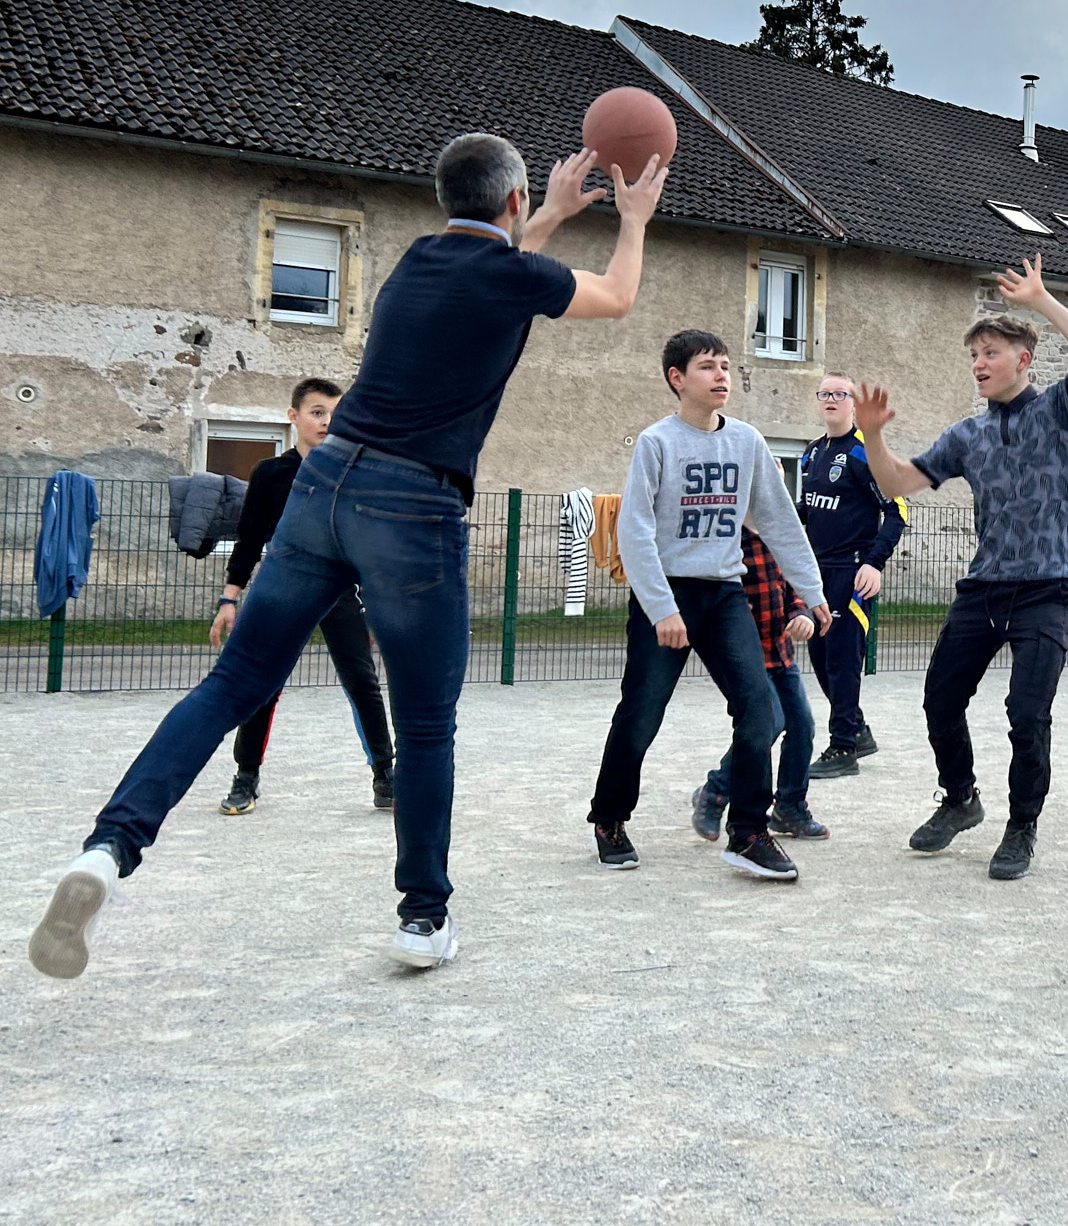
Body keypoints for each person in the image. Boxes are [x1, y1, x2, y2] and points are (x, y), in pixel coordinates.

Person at [27, 135, 668, 980]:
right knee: (426, 723)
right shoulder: (511, 273)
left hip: (322, 485)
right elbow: (616, 296)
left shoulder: (415, 262)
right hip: (412, 504)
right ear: (511, 204)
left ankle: (108, 849)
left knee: (232, 684)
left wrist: (547, 211)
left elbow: (503, 266)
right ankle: (422, 916)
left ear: (447, 200)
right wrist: (634, 217)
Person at [850, 255, 1068, 881]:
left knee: (1027, 713)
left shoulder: (1056, 410)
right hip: (984, 588)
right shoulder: (966, 435)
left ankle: (1021, 828)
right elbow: (896, 484)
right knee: (940, 697)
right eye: (974, 355)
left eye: (990, 353)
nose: (979, 364)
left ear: (1023, 359)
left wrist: (1040, 300)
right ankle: (960, 798)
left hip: (1046, 589)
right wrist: (872, 436)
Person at [587, 331, 829, 882]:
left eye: (725, 366)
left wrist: (812, 593)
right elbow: (634, 531)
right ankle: (609, 819)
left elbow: (779, 521)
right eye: (707, 366)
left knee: (760, 708)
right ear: (677, 378)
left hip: (724, 593)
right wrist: (661, 608)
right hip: (667, 593)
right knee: (641, 715)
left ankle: (748, 832)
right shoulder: (657, 443)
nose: (721, 375)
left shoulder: (747, 441)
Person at [210, 377, 396, 816]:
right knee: (263, 684)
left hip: (338, 591)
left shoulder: (353, 474)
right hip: (283, 591)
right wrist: (229, 599)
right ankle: (246, 777)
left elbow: (368, 545)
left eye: (335, 413)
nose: (327, 421)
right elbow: (249, 541)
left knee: (363, 682)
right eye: (317, 412)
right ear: (294, 417)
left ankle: (386, 775)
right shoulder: (270, 475)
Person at [688, 527, 828, 852]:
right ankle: (715, 792)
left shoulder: (779, 535)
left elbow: (795, 586)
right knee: (770, 722)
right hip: (746, 658)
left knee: (802, 725)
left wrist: (802, 614)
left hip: (781, 653)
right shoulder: (726, 541)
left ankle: (790, 806)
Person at [799, 373, 908, 778]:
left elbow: (898, 510)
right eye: (825, 393)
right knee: (820, 656)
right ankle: (857, 730)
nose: (831, 399)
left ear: (852, 404)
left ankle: (843, 747)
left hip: (853, 571)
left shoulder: (865, 452)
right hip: (818, 573)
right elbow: (808, 510)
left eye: (840, 394)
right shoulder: (811, 453)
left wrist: (874, 563)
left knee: (843, 661)